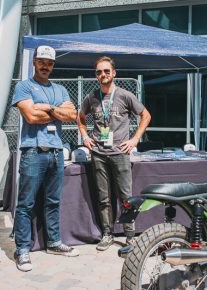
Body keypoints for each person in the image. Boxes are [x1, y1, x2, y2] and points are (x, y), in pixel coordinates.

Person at [12, 45, 79, 272]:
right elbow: (31, 116)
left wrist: (48, 107)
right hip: (33, 150)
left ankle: (53, 242)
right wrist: (56, 111)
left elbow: (71, 115)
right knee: (26, 204)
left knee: (53, 202)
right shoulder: (24, 86)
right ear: (34, 62)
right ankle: (21, 250)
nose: (45, 66)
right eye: (42, 61)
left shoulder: (59, 89)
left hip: (56, 152)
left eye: (49, 63)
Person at [78, 56, 151, 251]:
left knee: (126, 196)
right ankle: (107, 234)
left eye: (106, 71)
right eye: (99, 72)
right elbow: (81, 118)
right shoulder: (91, 97)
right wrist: (85, 136)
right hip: (98, 153)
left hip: (120, 152)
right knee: (104, 197)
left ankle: (130, 236)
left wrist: (135, 139)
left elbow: (146, 115)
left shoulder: (125, 95)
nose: (102, 75)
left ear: (114, 73)